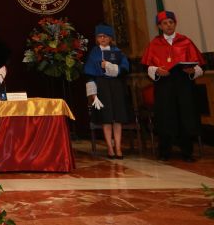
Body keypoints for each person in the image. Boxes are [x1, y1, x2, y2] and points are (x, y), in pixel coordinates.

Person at [142, 10, 204, 162]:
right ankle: (164, 152)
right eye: (165, 23)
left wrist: (192, 70)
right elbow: (147, 66)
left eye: (171, 22)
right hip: (164, 86)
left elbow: (201, 66)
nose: (168, 25)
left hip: (183, 85)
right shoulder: (154, 44)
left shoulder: (186, 42)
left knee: (185, 116)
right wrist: (157, 70)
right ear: (160, 26)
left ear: (175, 24)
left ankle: (187, 152)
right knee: (165, 117)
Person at [84, 24, 130, 159]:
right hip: (102, 86)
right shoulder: (94, 53)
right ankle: (110, 148)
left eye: (105, 36)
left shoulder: (118, 52)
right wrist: (92, 94)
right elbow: (89, 74)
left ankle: (119, 147)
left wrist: (110, 66)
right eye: (100, 36)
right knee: (106, 117)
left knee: (118, 117)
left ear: (110, 38)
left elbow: (125, 68)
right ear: (97, 39)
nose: (102, 39)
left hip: (116, 86)